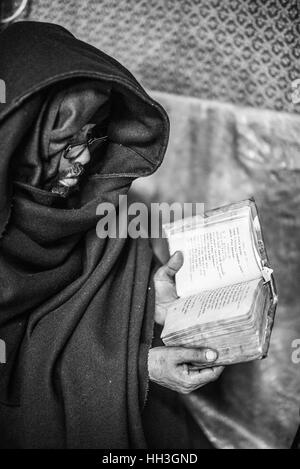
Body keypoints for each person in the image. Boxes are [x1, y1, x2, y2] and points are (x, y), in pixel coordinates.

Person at [0, 21, 223, 449]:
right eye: (66, 144)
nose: (84, 158)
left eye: (93, 136)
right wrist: (137, 369)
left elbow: (117, 313)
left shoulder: (106, 210)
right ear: (17, 141)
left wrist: (152, 304)